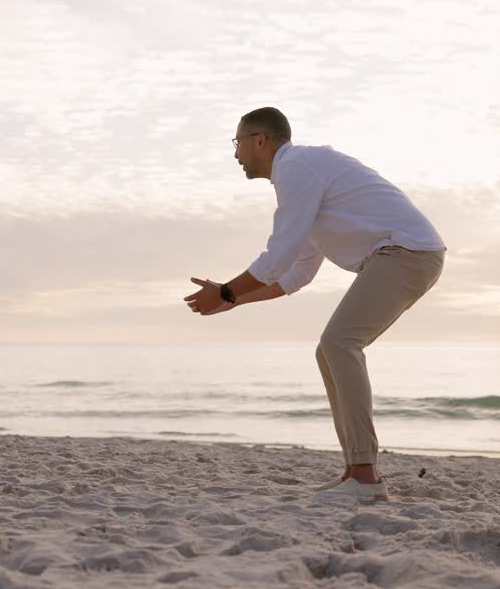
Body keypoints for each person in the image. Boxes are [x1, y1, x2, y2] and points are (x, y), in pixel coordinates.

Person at [184, 107, 445, 501]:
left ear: (261, 140)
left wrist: (227, 292)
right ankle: (354, 473)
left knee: (340, 344)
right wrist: (235, 301)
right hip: (400, 254)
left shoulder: (297, 168)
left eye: (238, 143)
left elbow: (278, 256)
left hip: (406, 253)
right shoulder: (303, 179)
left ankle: (365, 477)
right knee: (330, 350)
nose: (236, 154)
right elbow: (296, 273)